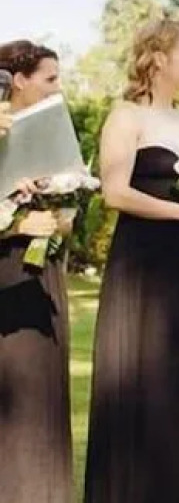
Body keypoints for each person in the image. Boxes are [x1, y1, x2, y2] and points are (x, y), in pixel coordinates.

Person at [84, 19, 179, 503]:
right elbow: (115, 193)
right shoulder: (126, 116)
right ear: (159, 58)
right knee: (141, 378)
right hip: (140, 266)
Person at [0, 40, 74, 502]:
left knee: (42, 403)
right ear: (18, 81)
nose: (56, 88)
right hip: (3, 278)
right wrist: (17, 221)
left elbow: (70, 208)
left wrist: (59, 217)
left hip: (43, 275)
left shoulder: (52, 131)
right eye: (49, 78)